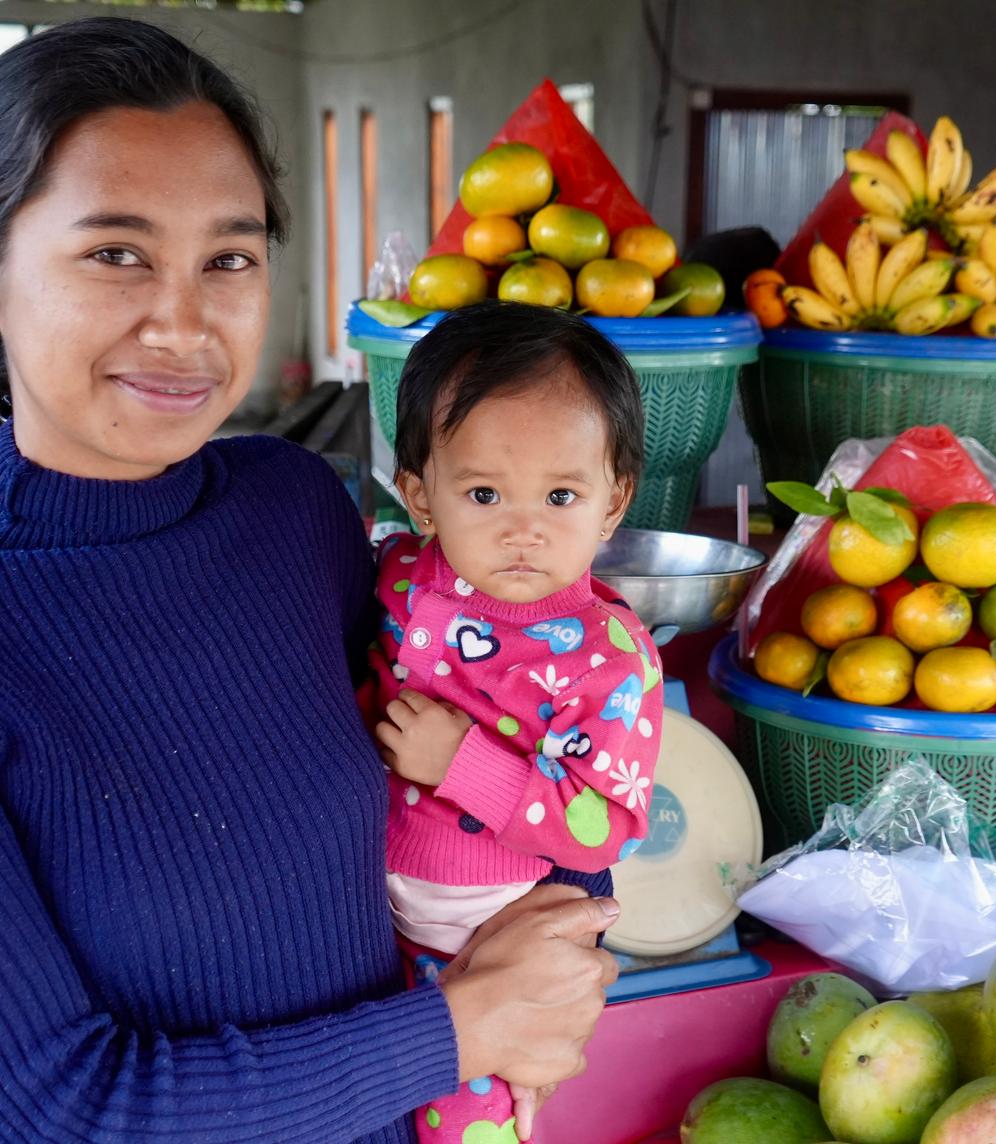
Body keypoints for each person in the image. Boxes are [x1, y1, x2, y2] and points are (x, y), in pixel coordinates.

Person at [0, 18, 615, 1144]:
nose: (182, 323)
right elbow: (56, 1114)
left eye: (228, 256)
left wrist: (565, 946)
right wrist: (464, 1029)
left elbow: (507, 710)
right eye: (116, 253)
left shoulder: (295, 511)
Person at [359, 302, 662, 1140]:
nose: (524, 529)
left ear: (612, 503)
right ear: (420, 495)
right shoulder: (395, 573)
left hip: (492, 933)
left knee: (474, 1116)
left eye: (562, 494)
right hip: (363, 915)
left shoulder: (610, 659)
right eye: (484, 492)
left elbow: (606, 826)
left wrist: (463, 763)